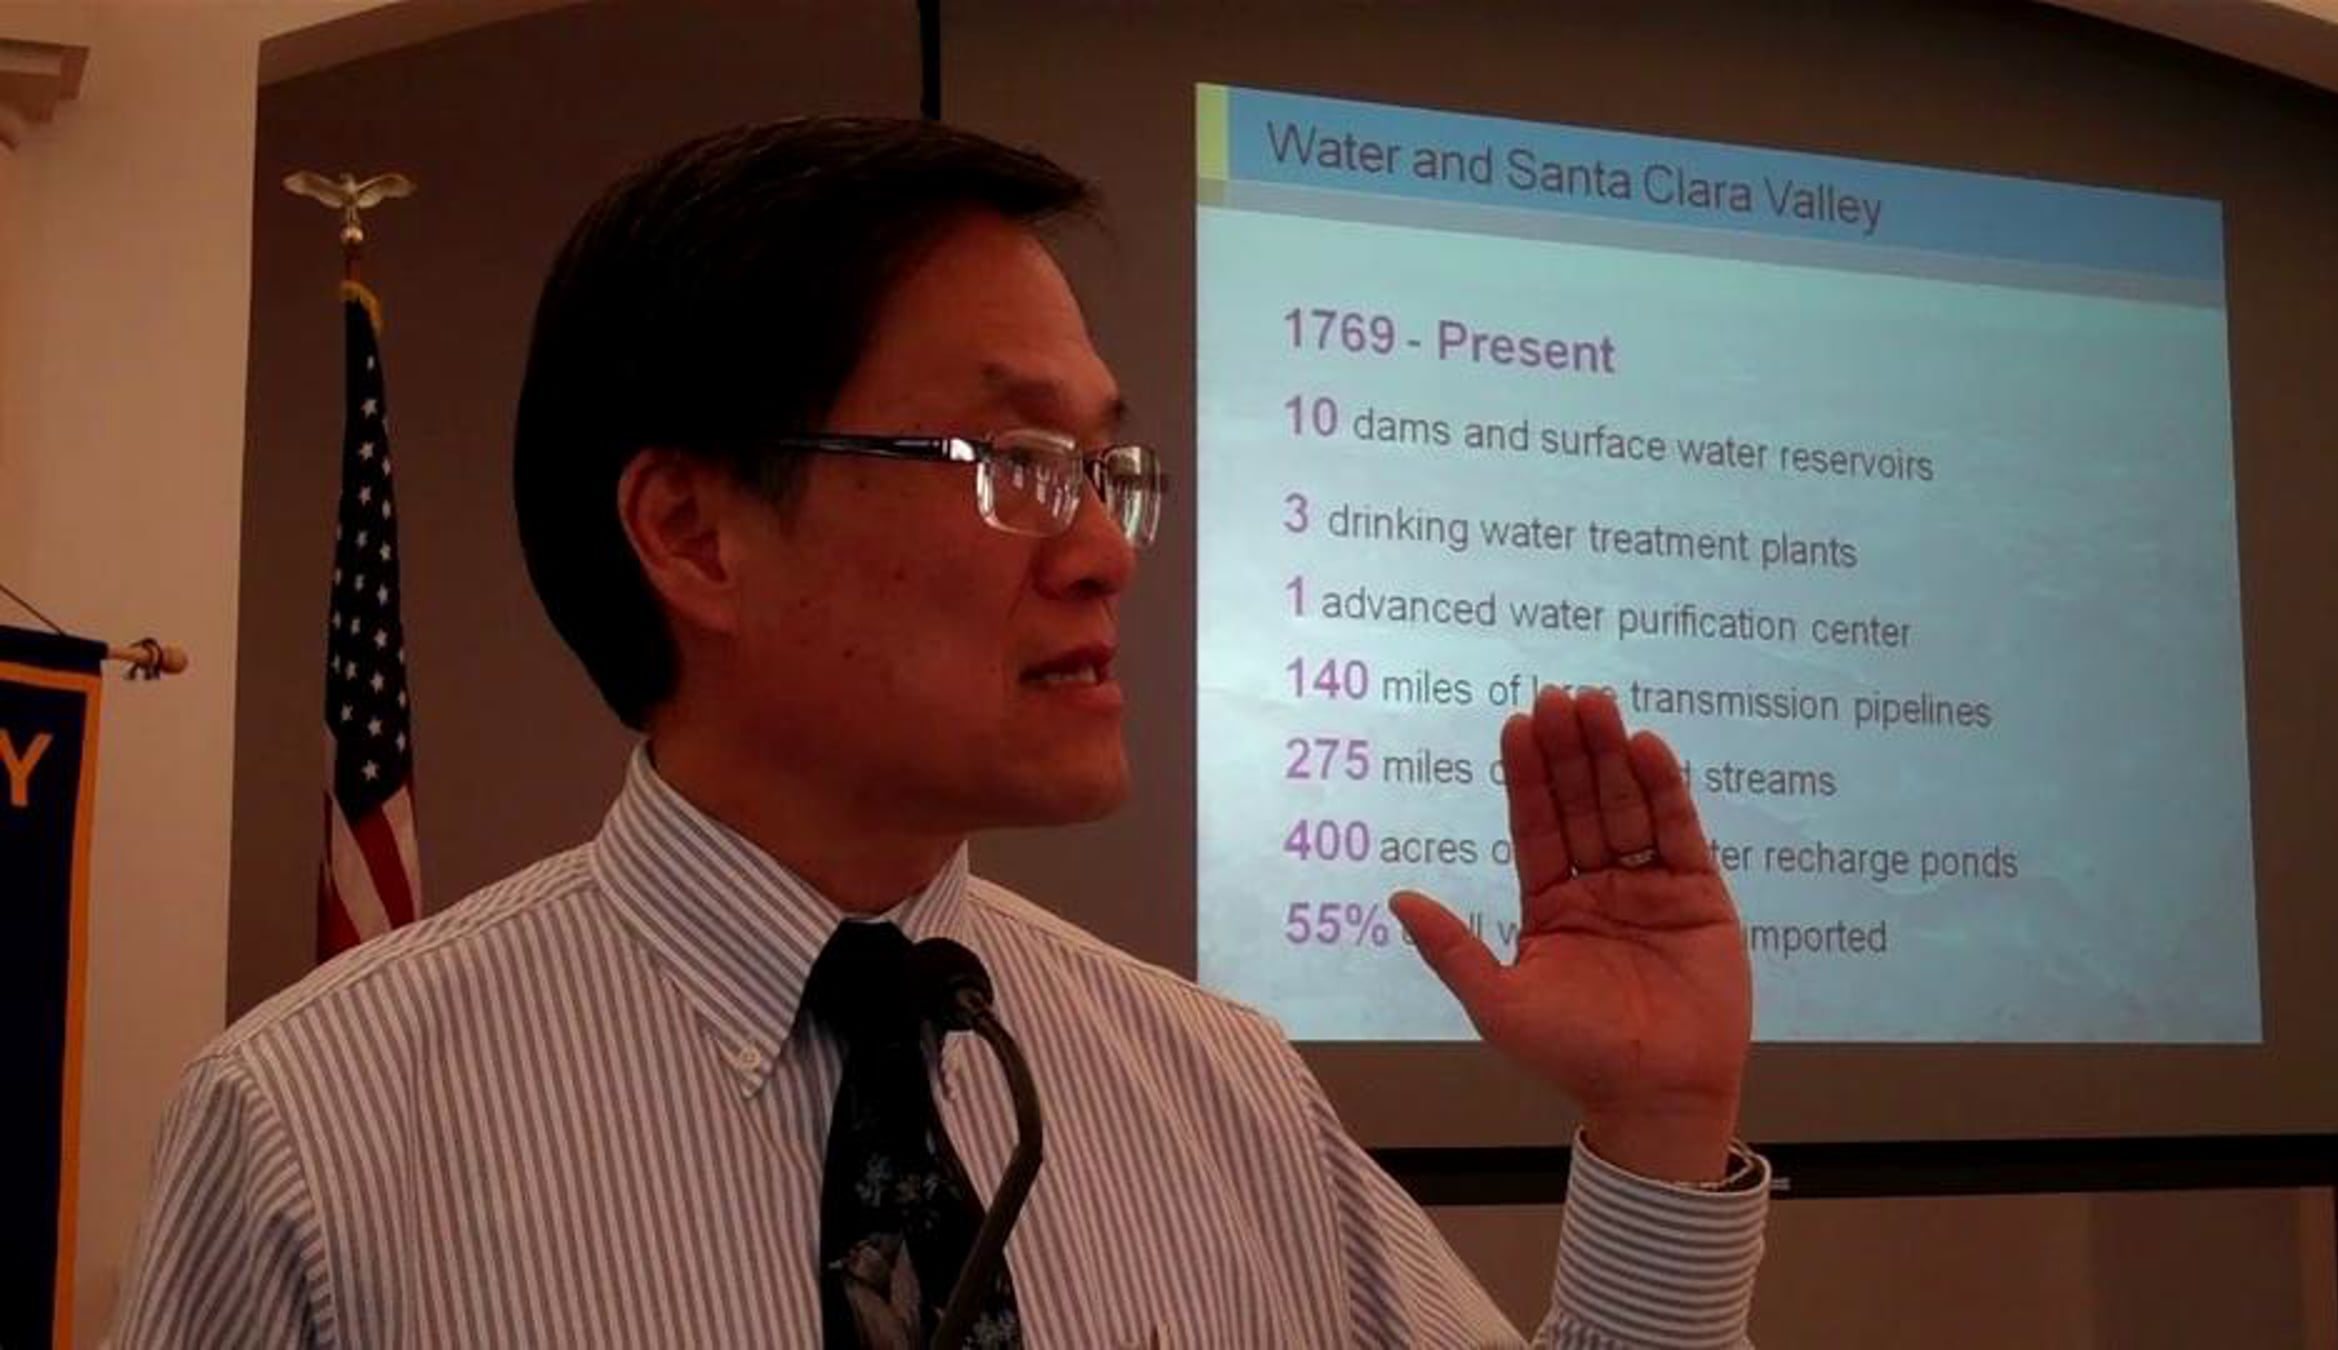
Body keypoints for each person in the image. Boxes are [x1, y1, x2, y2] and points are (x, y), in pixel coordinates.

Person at [117, 118, 1766, 1347]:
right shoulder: (315, 1130)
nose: (1106, 548)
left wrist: (1660, 1133)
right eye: (1014, 461)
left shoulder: (1224, 1095)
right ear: (694, 534)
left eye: (1107, 470)